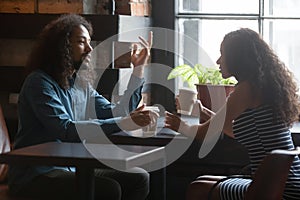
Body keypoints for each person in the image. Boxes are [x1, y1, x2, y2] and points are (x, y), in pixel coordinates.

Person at [8, 14, 157, 200]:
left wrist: (138, 70)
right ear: (61, 46)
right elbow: (65, 129)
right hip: (36, 175)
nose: (89, 48)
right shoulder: (39, 82)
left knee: (138, 177)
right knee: (108, 189)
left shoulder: (79, 85)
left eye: (89, 42)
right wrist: (125, 123)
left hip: (72, 168)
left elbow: (118, 113)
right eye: (81, 42)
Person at [165, 28, 300, 200]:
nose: (218, 60)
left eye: (223, 54)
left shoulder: (245, 89)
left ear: (238, 58)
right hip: (285, 183)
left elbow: (204, 134)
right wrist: (203, 112)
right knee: (203, 180)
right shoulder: (262, 87)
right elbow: (233, 130)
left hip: (275, 189)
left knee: (198, 188)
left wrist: (178, 125)